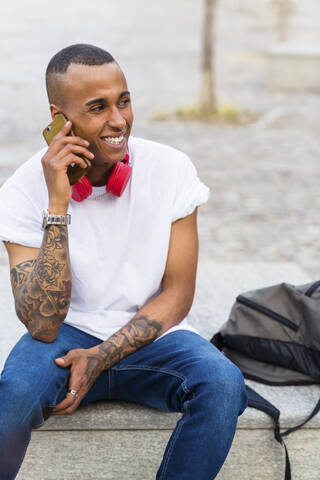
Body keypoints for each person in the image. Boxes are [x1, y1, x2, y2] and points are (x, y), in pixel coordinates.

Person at [0, 43, 247, 479]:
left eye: (124, 101)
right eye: (97, 108)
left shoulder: (171, 169)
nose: (119, 120)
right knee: (14, 395)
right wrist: (58, 202)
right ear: (59, 117)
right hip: (62, 337)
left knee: (223, 385)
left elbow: (178, 294)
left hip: (157, 339)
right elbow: (42, 324)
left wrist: (100, 356)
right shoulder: (22, 190)